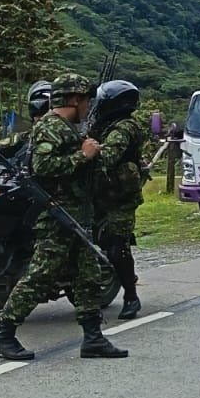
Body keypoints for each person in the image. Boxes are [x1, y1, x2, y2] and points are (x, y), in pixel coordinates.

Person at [0, 72, 127, 362]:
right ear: (75, 99)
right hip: (56, 215)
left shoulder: (68, 127)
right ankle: (3, 335)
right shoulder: (51, 127)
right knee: (39, 276)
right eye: (87, 100)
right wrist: (84, 156)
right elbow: (45, 166)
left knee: (88, 277)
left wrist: (92, 155)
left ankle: (93, 338)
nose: (89, 106)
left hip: (77, 213)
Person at [0, 80, 54, 314]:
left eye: (45, 107)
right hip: (19, 189)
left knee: (28, 234)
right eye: (37, 109)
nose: (40, 113)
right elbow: (7, 152)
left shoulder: (65, 132)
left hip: (45, 196)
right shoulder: (27, 137)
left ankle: (19, 294)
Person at [89, 78, 148, 322]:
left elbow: (108, 155)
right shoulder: (102, 124)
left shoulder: (125, 127)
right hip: (98, 194)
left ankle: (131, 296)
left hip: (120, 197)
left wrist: (86, 152)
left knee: (116, 246)